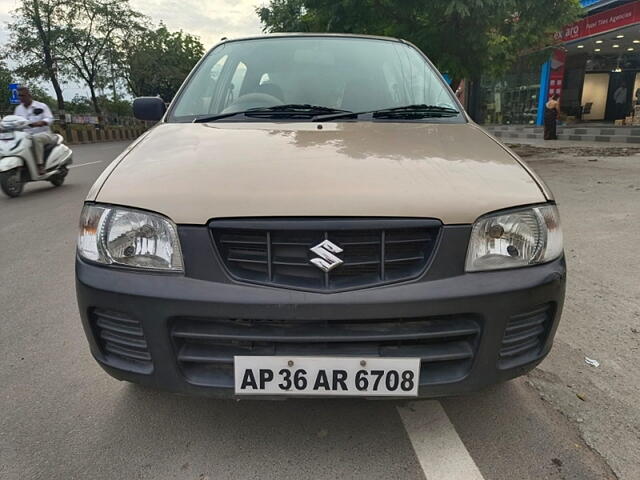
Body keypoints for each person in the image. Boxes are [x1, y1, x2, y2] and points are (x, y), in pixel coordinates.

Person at [13, 86, 57, 175]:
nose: (21, 98)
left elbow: (50, 119)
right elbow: (14, 121)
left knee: (36, 138)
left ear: (29, 95)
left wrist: (41, 122)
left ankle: (40, 165)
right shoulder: (18, 109)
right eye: (19, 96)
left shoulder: (41, 106)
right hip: (25, 136)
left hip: (44, 133)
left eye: (23, 96)